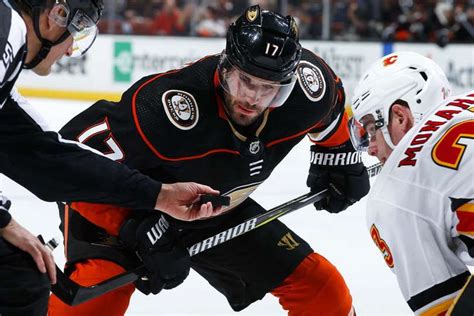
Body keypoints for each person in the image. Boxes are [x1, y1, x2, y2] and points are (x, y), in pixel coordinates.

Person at [49, 5, 370, 315]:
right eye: (245, 81)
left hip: (211, 205)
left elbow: (330, 109)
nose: (253, 98)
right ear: (226, 66)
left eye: (268, 89)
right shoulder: (166, 109)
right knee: (95, 305)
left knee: (322, 291)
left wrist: (337, 154)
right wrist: (132, 227)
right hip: (126, 205)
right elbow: (68, 163)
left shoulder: (307, 91)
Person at [0, 0, 221, 314]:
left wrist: (159, 195)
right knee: (18, 278)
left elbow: (47, 154)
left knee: (19, 271)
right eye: (74, 32)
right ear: (56, 15)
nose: (68, 52)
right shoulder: (7, 29)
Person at [350, 51, 473, 315]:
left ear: (400, 117)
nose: (370, 149)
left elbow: (445, 308)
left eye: (372, 129)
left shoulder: (394, 191)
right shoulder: (468, 100)